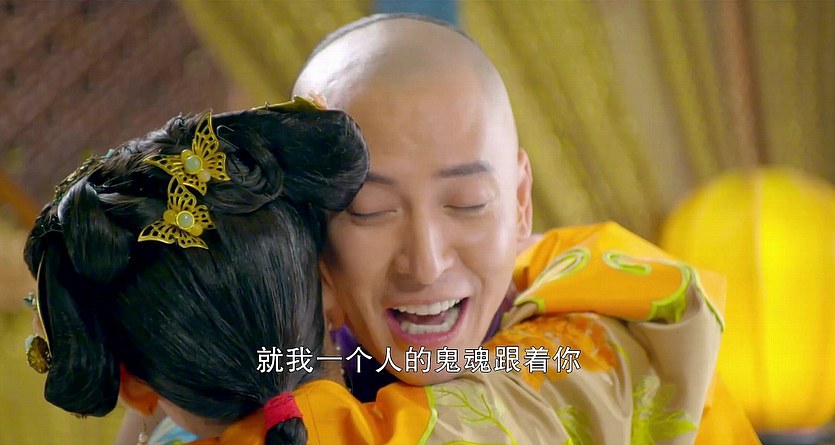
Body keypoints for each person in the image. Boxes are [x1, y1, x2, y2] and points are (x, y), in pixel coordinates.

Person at [118, 13, 759, 444]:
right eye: (371, 210)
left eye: (467, 202)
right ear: (310, 234)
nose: (425, 264)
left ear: (521, 200)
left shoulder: (608, 333)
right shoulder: (286, 357)